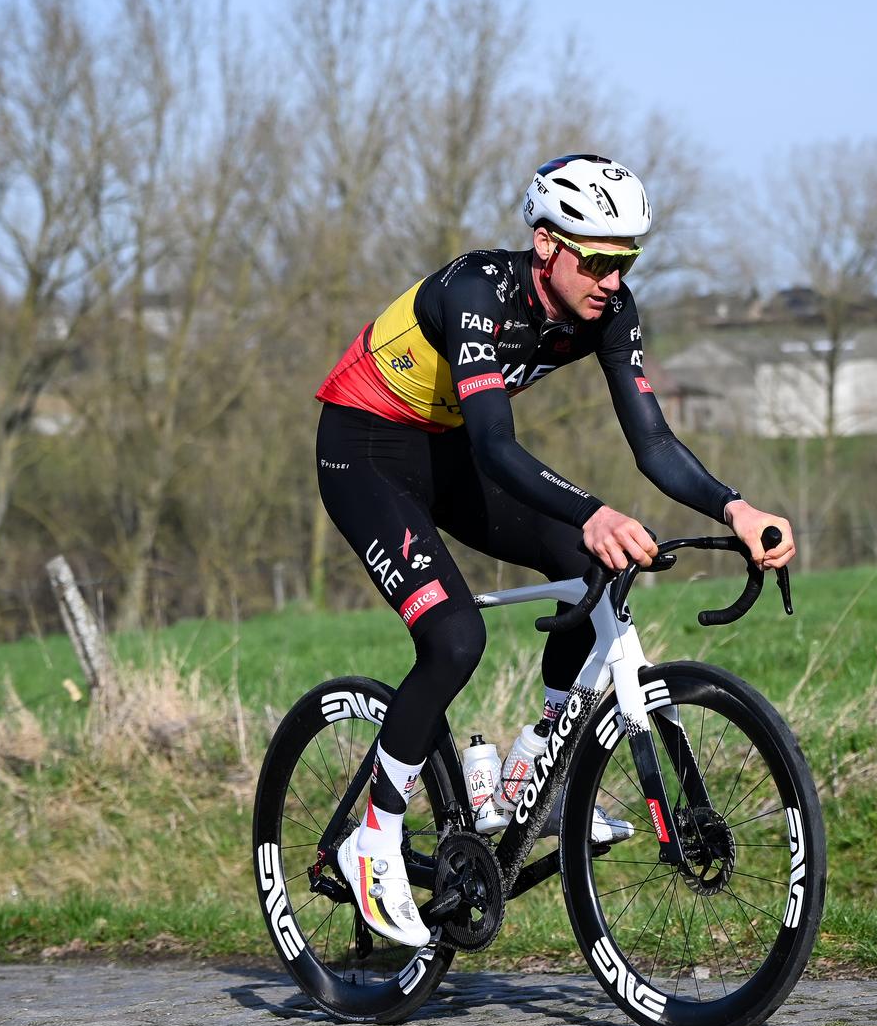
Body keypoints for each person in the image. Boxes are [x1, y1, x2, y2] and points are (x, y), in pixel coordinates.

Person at [314, 154, 795, 947]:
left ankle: (531, 763)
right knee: (455, 634)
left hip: (446, 451)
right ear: (545, 245)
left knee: (594, 568)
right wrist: (596, 510)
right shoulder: (477, 292)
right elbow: (500, 447)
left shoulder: (612, 312)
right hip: (365, 448)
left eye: (627, 260)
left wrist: (734, 506)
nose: (614, 278)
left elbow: (652, 440)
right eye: (599, 259)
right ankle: (375, 834)